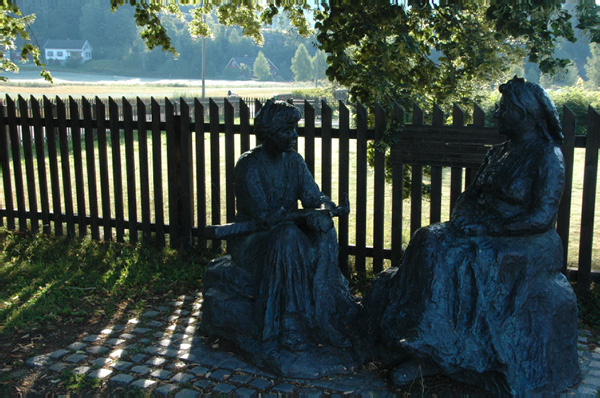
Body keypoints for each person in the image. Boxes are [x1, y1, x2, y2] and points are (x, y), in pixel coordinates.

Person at [363, 77, 580, 395]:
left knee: (467, 260)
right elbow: (470, 195)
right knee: (429, 240)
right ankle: (422, 345)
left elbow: (540, 218)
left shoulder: (548, 156)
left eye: (503, 109)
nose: (497, 115)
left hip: (527, 241)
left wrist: (487, 228)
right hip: (482, 230)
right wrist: (462, 219)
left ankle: (467, 356)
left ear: (522, 113)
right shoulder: (499, 153)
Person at [201, 99, 359, 377]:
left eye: (294, 130)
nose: (294, 137)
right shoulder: (249, 166)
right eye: (287, 131)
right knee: (287, 237)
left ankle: (324, 318)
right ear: (269, 133)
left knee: (323, 231)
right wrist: (303, 216)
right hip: (253, 241)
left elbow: (313, 196)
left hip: (285, 232)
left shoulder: (295, 162)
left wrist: (324, 207)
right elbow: (265, 217)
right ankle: (288, 327)